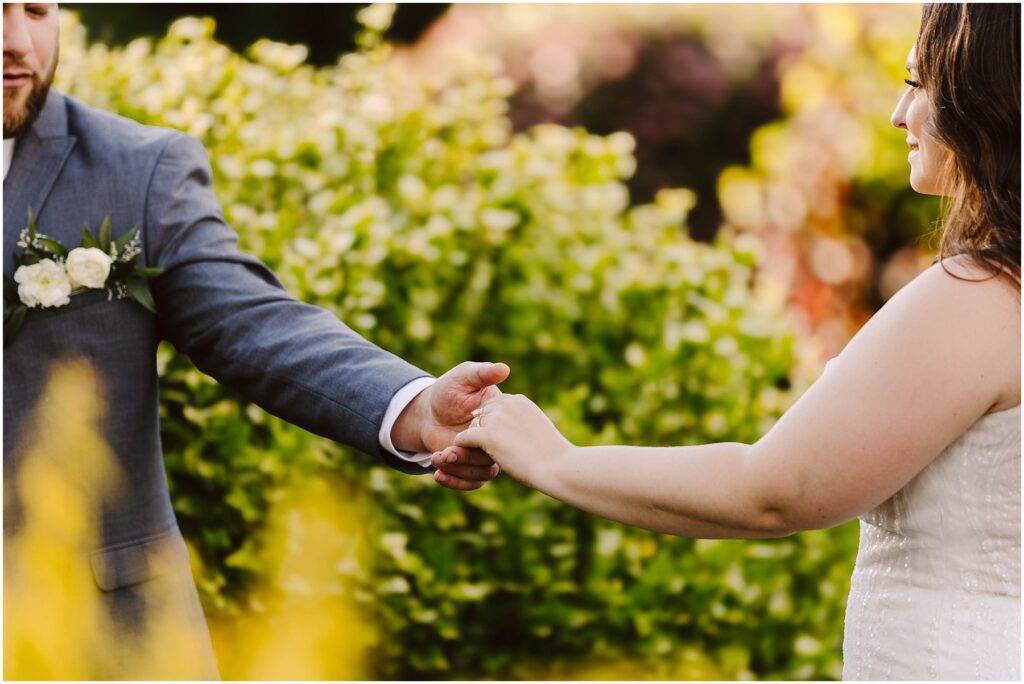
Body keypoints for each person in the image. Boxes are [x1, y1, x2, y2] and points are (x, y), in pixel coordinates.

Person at [446, 3, 1020, 680]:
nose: (899, 114)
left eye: (919, 83)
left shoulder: (980, 297)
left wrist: (553, 461)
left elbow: (775, 491)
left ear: (986, 98)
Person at [3, 3, 502, 678]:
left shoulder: (138, 172)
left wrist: (413, 406)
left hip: (105, 639)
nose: (17, 41)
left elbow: (251, 323)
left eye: (34, 9)